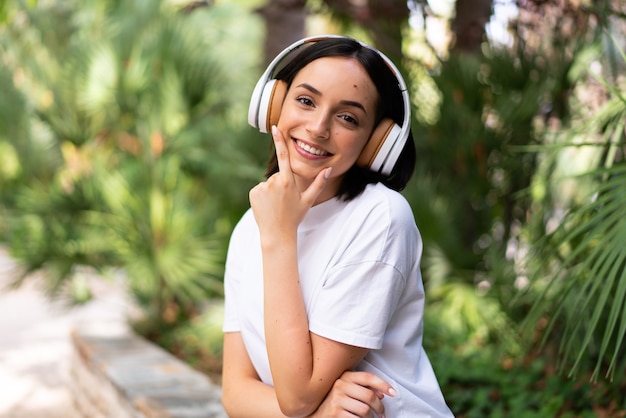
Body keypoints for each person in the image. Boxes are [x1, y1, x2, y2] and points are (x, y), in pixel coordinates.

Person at [221, 34, 454, 418]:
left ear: (375, 142)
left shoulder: (381, 217)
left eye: (348, 117)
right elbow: (235, 393)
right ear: (274, 105)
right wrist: (321, 412)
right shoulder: (250, 226)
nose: (318, 127)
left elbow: (297, 397)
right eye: (306, 101)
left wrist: (280, 238)